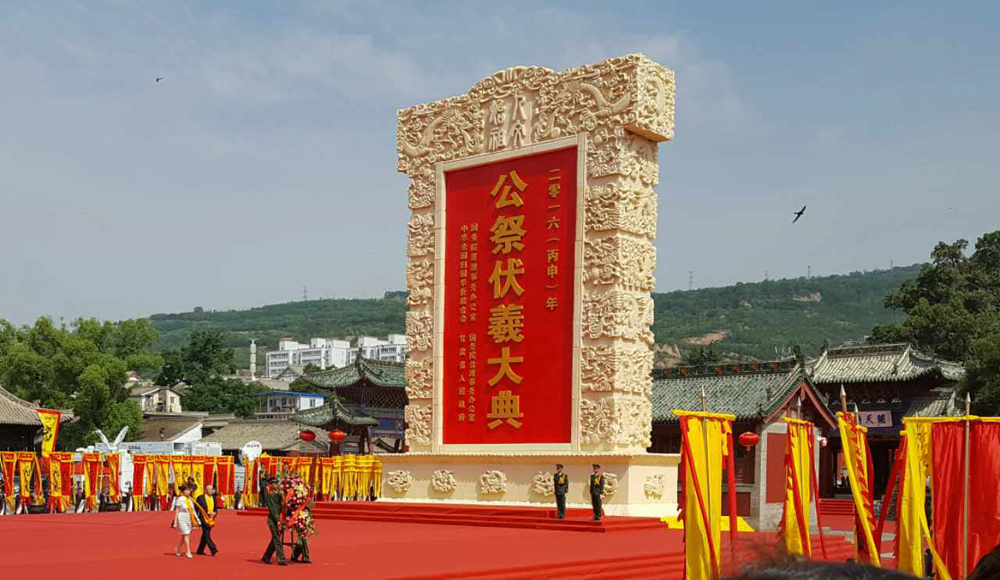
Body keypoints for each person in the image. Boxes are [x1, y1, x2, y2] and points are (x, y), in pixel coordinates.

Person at [261, 476, 287, 566]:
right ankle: (281, 559)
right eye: (275, 483)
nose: (276, 485)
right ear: (270, 484)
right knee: (277, 540)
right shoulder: (269, 494)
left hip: (279, 518)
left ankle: (266, 556)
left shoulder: (277, 493)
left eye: (277, 483)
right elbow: (272, 509)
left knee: (275, 540)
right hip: (273, 520)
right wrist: (278, 520)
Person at [171, 484, 197, 558]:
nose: (188, 492)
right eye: (187, 490)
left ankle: (178, 548)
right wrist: (175, 522)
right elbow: (177, 511)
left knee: (185, 534)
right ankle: (188, 551)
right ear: (183, 491)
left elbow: (193, 510)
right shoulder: (180, 499)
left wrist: (197, 519)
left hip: (189, 518)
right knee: (186, 534)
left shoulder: (190, 499)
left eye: (189, 490)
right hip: (182, 518)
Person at [195, 484, 220, 556]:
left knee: (205, 534)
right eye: (210, 489)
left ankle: (200, 550)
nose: (212, 491)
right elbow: (196, 509)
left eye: (212, 489)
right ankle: (213, 549)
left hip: (211, 518)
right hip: (203, 518)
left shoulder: (213, 498)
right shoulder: (200, 498)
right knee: (206, 534)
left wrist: (215, 513)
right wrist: (196, 519)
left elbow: (215, 507)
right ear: (205, 490)